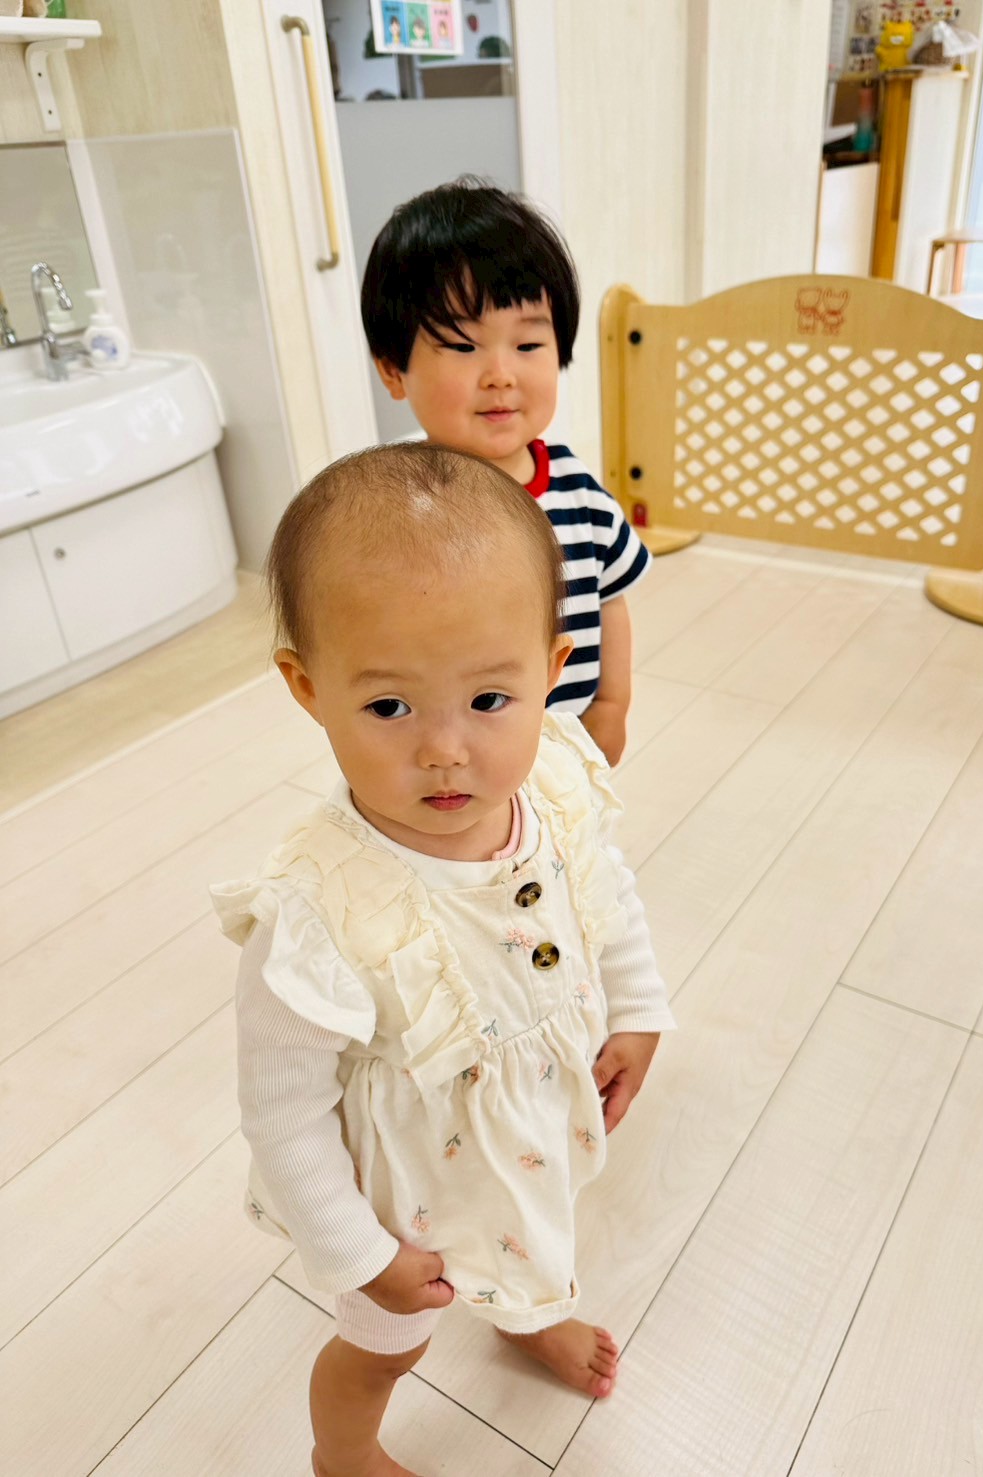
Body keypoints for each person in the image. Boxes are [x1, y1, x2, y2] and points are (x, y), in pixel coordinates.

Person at [212, 443, 674, 1477]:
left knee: (538, 1225)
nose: (445, 749)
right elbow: (280, 1110)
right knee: (388, 1346)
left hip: (527, 1117)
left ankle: (523, 1309)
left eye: (490, 700)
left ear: (551, 668)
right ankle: (343, 1453)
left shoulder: (552, 787)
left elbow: (604, 892)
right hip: (401, 1193)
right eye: (389, 707)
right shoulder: (321, 908)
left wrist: (639, 1007)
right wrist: (359, 1252)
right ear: (307, 686)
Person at [362, 178, 650, 767]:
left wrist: (612, 704)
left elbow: (611, 600)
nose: (500, 374)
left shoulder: (581, 497)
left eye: (527, 346)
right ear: (393, 370)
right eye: (463, 347)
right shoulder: (394, 503)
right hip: (450, 757)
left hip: (565, 746)